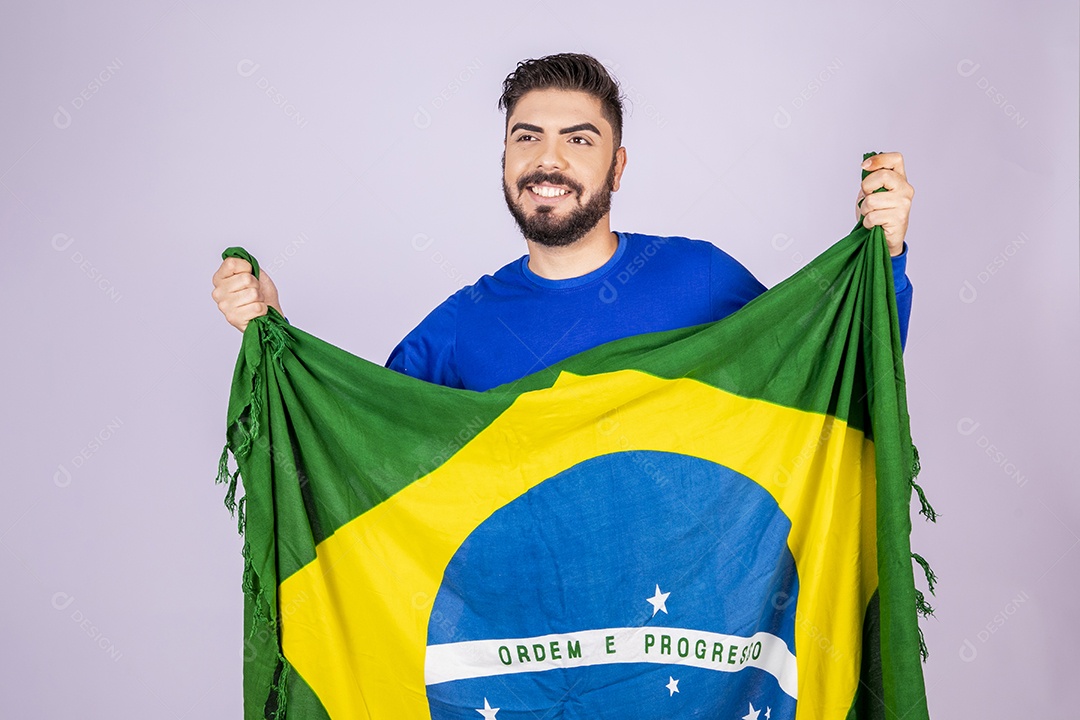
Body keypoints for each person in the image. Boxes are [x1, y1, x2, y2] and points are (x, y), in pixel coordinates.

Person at [212, 53, 915, 391]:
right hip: (534, 672)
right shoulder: (459, 328)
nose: (547, 160)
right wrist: (274, 333)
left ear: (618, 166)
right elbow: (361, 439)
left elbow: (831, 379)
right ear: (504, 157)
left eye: (579, 140)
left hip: (686, 663)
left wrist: (882, 258)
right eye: (527, 137)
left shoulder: (698, 278)